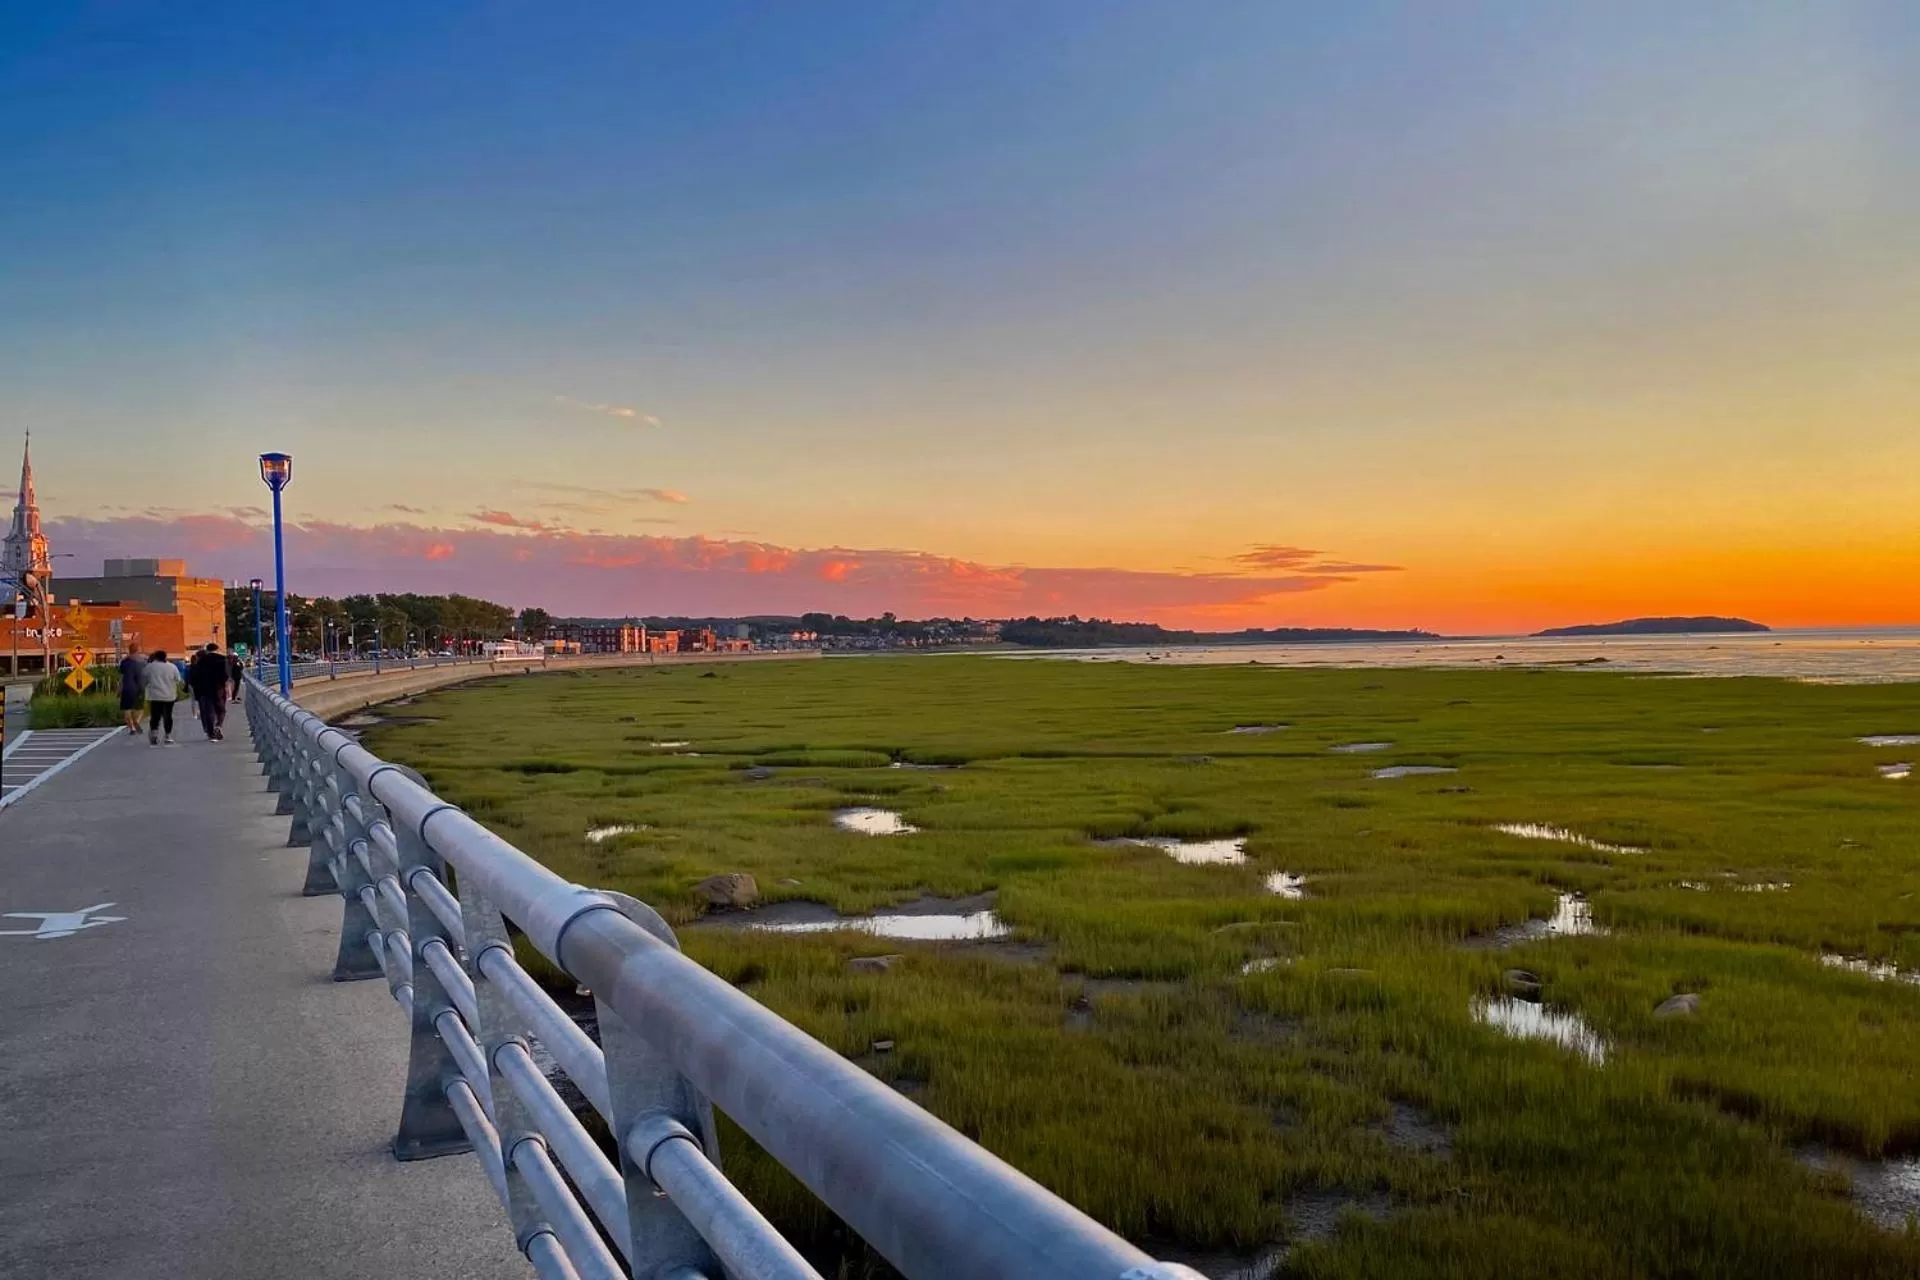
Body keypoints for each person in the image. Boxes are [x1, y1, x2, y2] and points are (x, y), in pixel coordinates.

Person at [187, 642, 230, 741]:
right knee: (221, 709)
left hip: (205, 689)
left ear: (207, 650)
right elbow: (227, 675)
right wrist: (224, 684)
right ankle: (218, 725)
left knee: (208, 711)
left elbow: (195, 676)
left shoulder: (201, 661)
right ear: (217, 649)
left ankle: (211, 733)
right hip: (219, 688)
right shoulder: (223, 659)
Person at [141, 649, 183, 745]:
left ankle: (154, 734)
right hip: (169, 696)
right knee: (168, 716)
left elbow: (144, 679)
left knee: (155, 716)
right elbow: (178, 679)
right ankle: (168, 736)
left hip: (154, 696)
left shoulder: (150, 667)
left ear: (155, 657)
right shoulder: (172, 667)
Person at [116, 650, 147, 736]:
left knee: (127, 709)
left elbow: (121, 678)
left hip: (127, 688)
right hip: (139, 689)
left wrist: (119, 690)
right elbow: (145, 677)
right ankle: (136, 721)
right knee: (140, 708)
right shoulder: (143, 662)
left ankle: (132, 728)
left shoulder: (124, 663)